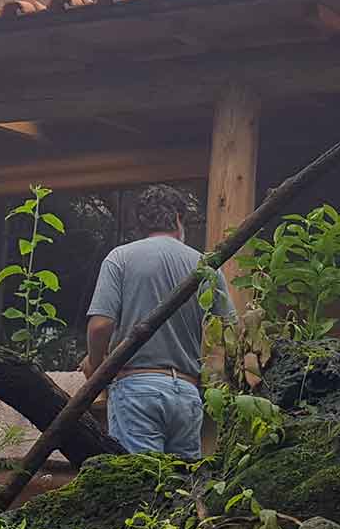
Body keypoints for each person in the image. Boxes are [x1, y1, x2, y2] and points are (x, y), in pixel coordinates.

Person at [82, 185, 234, 457]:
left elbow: (100, 325)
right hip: (186, 392)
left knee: (140, 479)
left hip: (136, 389)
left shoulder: (120, 257)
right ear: (178, 218)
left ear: (141, 223)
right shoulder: (205, 265)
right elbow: (229, 329)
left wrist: (95, 365)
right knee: (181, 481)